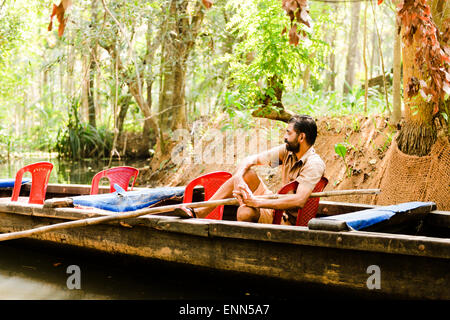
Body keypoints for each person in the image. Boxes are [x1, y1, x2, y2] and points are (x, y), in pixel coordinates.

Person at [183, 114, 326, 225]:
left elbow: (298, 201)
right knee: (247, 173)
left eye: (289, 133)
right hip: (275, 208)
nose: (285, 137)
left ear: (301, 137)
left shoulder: (313, 164)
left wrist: (256, 202)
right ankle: (201, 211)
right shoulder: (287, 152)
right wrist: (238, 178)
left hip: (286, 221)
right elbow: (250, 160)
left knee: (245, 213)